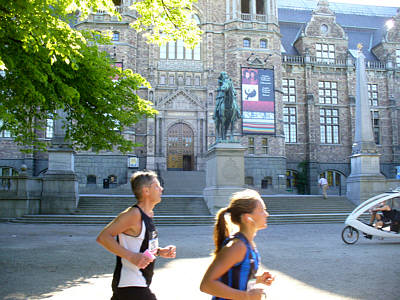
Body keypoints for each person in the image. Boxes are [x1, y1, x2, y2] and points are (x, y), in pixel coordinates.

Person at [96, 170, 176, 300]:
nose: (162, 189)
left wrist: (160, 251)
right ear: (146, 191)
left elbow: (140, 246)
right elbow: (103, 237)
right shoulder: (133, 214)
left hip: (138, 283)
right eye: (157, 186)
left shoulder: (148, 214)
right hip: (130, 284)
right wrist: (131, 256)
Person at [200, 189, 275, 300]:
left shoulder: (249, 244)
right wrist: (247, 296)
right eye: (262, 210)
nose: (266, 214)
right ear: (247, 218)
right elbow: (206, 285)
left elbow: (235, 279)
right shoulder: (237, 247)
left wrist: (258, 279)